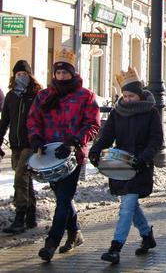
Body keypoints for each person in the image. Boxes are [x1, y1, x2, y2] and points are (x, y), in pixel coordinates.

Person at [27, 49, 100, 262]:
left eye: (65, 73)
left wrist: (75, 142)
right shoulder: (45, 95)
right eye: (57, 73)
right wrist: (36, 139)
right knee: (63, 199)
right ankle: (75, 233)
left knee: (64, 198)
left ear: (72, 72)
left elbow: (93, 124)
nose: (61, 77)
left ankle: (51, 243)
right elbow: (33, 120)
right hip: (49, 156)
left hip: (72, 155)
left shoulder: (85, 96)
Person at [89, 68, 163, 264]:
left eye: (130, 95)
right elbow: (107, 136)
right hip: (120, 164)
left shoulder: (151, 112)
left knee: (126, 206)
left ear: (139, 95)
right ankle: (147, 236)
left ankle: (115, 247)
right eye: (124, 95)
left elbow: (156, 140)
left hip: (140, 165)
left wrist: (144, 158)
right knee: (130, 205)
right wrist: (95, 150)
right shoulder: (117, 112)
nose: (127, 99)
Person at [0, 60, 42, 234]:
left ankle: (20, 217)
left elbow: (42, 119)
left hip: (31, 143)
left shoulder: (36, 95)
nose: (21, 77)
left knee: (19, 177)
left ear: (30, 76)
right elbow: (5, 121)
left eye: (24, 74)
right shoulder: (11, 96)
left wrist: (40, 140)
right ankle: (31, 214)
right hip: (16, 144)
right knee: (26, 179)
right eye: (18, 74)